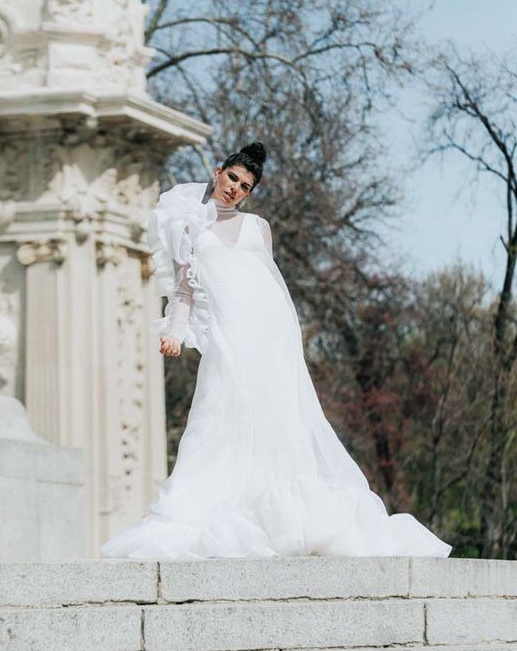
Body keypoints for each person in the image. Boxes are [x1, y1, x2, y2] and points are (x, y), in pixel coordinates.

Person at [100, 142, 452, 560]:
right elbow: (183, 290)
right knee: (222, 416)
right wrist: (176, 332)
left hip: (270, 336)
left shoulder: (257, 227)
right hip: (228, 340)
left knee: (281, 419)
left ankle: (285, 513)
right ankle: (220, 508)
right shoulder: (186, 225)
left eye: (245, 186)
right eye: (232, 178)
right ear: (218, 172)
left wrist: (287, 341)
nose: (235, 189)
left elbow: (272, 286)